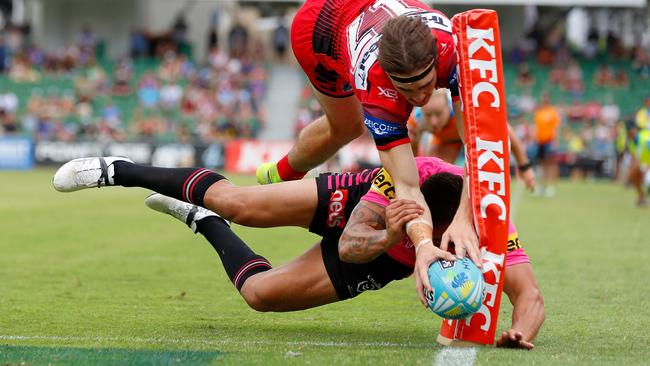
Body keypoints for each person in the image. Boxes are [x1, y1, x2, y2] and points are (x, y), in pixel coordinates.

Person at [53, 155, 544, 349]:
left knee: (260, 295)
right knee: (239, 202)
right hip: (362, 214)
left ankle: (200, 221)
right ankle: (116, 169)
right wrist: (404, 241)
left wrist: (520, 331)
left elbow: (530, 296)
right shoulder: (428, 175)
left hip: (380, 258)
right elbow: (353, 242)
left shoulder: (498, 228)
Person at [253, 0, 479, 297]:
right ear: (388, 79)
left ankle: (280, 176)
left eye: (426, 85)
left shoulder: (455, 47)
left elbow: (477, 145)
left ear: (437, 59)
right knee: (346, 127)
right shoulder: (375, 90)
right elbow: (407, 186)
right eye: (407, 91)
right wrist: (424, 245)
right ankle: (281, 175)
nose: (420, 98)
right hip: (321, 27)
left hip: (370, 13)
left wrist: (463, 217)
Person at [407, 89, 535, 191]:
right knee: (433, 181)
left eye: (439, 114)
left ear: (449, 107)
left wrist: (524, 166)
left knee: (482, 182)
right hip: (445, 142)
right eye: (428, 115)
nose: (433, 121)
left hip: (475, 139)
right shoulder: (416, 121)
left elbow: (505, 130)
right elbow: (414, 153)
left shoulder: (466, 113)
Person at [533, 92, 561, 197]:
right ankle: (542, 187)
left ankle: (552, 187)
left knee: (552, 164)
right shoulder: (539, 112)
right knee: (542, 164)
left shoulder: (552, 112)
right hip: (540, 141)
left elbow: (556, 128)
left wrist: (555, 141)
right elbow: (537, 127)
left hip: (550, 141)